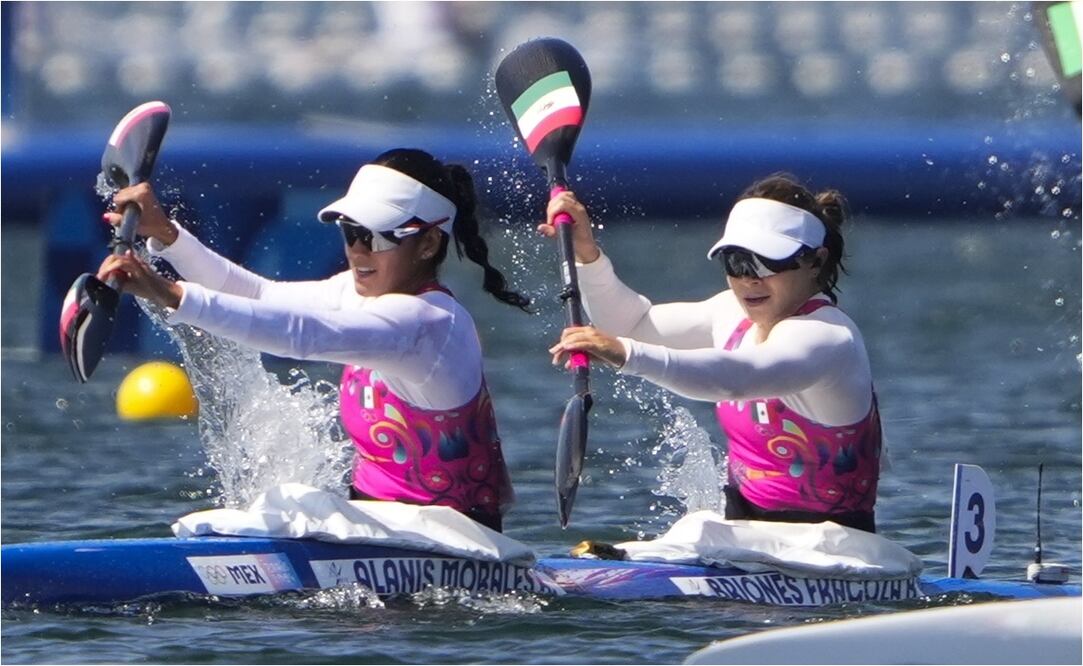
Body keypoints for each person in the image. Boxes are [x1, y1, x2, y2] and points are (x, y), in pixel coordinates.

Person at [98, 148, 530, 532]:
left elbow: (301, 335)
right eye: (349, 231)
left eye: (374, 236)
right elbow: (260, 295)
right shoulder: (360, 292)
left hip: (454, 542)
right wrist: (167, 236)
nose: (357, 250)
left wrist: (169, 293)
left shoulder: (430, 324)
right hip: (379, 531)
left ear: (428, 243)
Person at [543, 173, 883, 533]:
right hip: (745, 539)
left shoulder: (828, 338)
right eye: (737, 262)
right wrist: (587, 255)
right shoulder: (730, 314)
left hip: (835, 547)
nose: (750, 280)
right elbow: (631, 324)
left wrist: (626, 354)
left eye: (769, 262)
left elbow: (736, 378)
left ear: (816, 261)